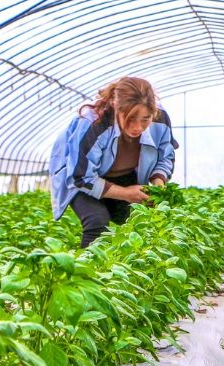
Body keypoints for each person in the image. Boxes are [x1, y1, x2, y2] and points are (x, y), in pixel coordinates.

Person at [50, 76, 178, 247]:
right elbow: (81, 177)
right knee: (97, 222)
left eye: (145, 119)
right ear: (117, 108)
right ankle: (89, 271)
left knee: (141, 221)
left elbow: (165, 155)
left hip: (125, 175)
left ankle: (128, 271)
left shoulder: (160, 119)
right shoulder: (94, 123)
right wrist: (126, 193)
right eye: (130, 118)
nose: (137, 127)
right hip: (80, 177)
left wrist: (158, 182)